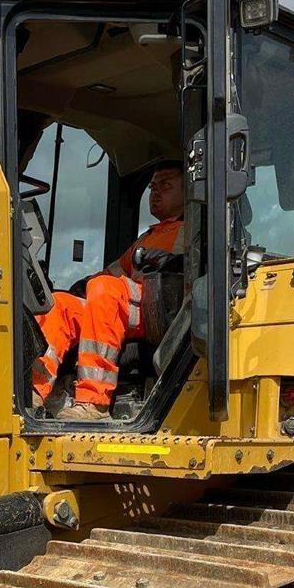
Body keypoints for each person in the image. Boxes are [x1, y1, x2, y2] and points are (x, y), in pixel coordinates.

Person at [33, 161, 185, 422]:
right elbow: (112, 272)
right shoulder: (148, 236)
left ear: (189, 191)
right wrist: (86, 284)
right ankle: (35, 389)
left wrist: (172, 261)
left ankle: (94, 401)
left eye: (166, 186)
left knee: (104, 289)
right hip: (124, 307)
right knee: (60, 304)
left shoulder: (192, 231)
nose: (156, 192)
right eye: (152, 187)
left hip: (159, 311)